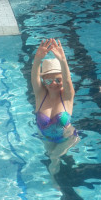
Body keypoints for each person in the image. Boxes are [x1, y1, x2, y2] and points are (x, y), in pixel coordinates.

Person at [31, 38, 79, 176]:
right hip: (46, 138)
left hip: (68, 138)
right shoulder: (40, 95)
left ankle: (55, 181)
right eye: (49, 80)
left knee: (53, 157)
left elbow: (68, 80)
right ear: (43, 81)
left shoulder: (67, 97)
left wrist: (63, 60)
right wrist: (37, 59)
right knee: (50, 155)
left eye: (58, 79)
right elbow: (34, 77)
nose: (53, 83)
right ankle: (55, 178)